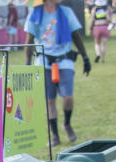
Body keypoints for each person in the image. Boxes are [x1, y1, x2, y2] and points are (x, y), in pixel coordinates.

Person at [24, 0, 92, 146]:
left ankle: (67, 124)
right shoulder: (35, 14)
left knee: (68, 97)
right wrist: (27, 64)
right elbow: (29, 41)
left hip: (65, 59)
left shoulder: (66, 12)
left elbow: (76, 36)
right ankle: (54, 135)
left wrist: (85, 57)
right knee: (50, 100)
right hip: (44, 61)